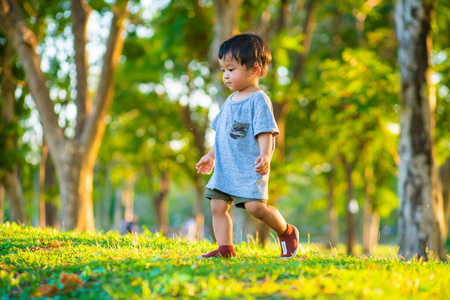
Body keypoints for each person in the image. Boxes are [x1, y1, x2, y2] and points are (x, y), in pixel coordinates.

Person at [195, 33, 299, 259]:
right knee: (217, 205)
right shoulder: (229, 101)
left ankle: (287, 231)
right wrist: (211, 156)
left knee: (255, 208)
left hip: (249, 167)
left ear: (255, 71)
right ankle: (225, 249)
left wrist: (266, 156)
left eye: (231, 70)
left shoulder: (259, 100)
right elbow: (222, 133)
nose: (225, 76)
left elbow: (266, 132)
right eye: (223, 70)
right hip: (225, 168)